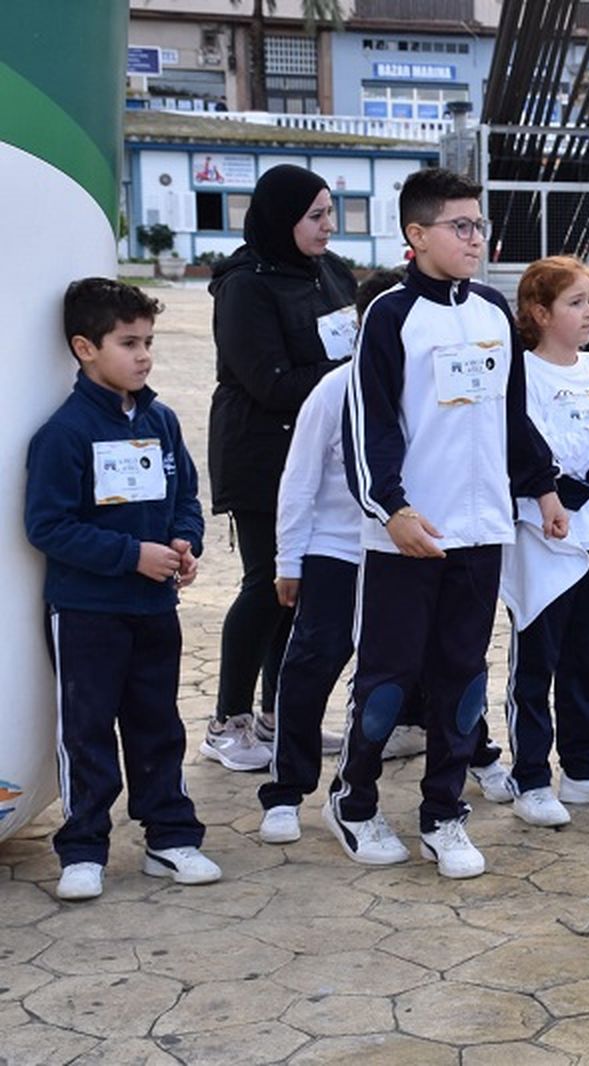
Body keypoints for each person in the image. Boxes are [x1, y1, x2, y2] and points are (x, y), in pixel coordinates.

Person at [328, 167, 566, 879]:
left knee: (463, 676)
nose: (476, 238)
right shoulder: (392, 315)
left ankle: (443, 815)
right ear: (417, 234)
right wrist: (391, 508)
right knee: (390, 680)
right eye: (460, 226)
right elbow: (367, 421)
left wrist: (544, 488)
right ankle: (354, 801)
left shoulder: (494, 311)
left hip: (481, 531)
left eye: (479, 225)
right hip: (410, 534)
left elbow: (511, 415)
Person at [257, 270, 515, 845]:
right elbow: (298, 482)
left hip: (421, 547)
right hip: (339, 550)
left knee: (445, 666)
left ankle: (473, 763)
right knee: (316, 663)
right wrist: (289, 561)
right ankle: (287, 790)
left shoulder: (449, 371)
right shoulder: (333, 390)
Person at [26, 278, 218, 901]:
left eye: (149, 341)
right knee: (87, 730)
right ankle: (83, 849)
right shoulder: (64, 432)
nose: (143, 355)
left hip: (154, 609)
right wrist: (131, 555)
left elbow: (185, 498)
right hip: (87, 611)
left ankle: (170, 837)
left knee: (158, 724)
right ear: (84, 348)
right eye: (128, 342)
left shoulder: (161, 420)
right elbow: (48, 525)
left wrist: (185, 545)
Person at [204, 164, 356, 773]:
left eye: (329, 213)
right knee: (268, 581)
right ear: (280, 218)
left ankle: (280, 713)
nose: (327, 226)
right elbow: (268, 383)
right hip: (262, 451)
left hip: (323, 448)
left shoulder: (331, 272)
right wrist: (350, 380)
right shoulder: (245, 285)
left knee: (300, 591)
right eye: (315, 216)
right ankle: (228, 721)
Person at [500, 257, 589, 828]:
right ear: (540, 313)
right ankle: (531, 776)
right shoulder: (524, 372)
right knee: (538, 656)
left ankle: (583, 769)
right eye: (578, 304)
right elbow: (541, 448)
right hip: (548, 527)